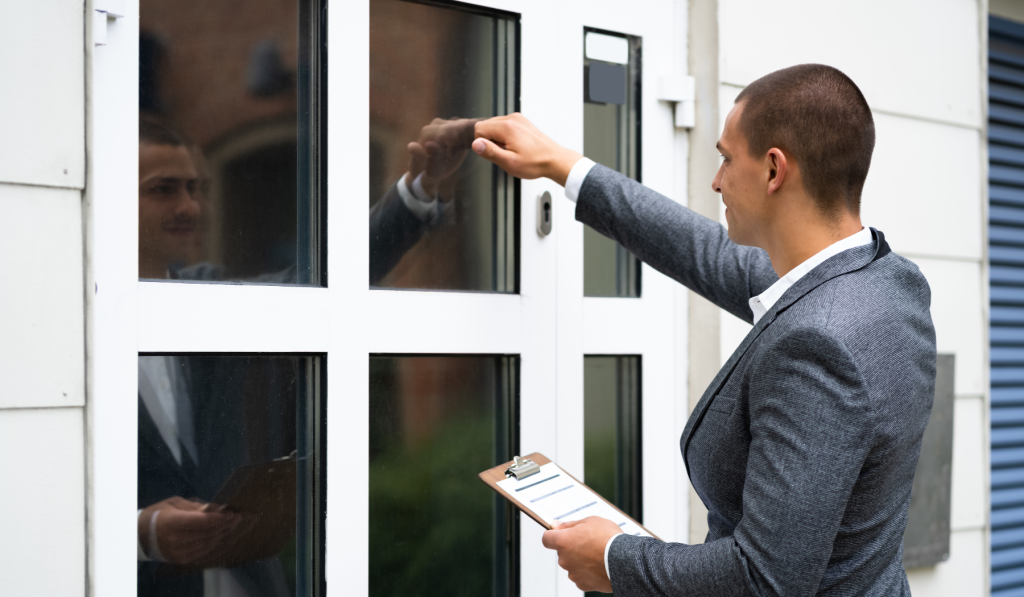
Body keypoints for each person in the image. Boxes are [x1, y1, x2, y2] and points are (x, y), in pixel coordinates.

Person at [472, 64, 935, 596]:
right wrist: (564, 166)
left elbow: (764, 580)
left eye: (725, 158)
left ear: (774, 170)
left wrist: (612, 559)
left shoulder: (818, 343)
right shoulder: (886, 280)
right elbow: (707, 252)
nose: (716, 181)